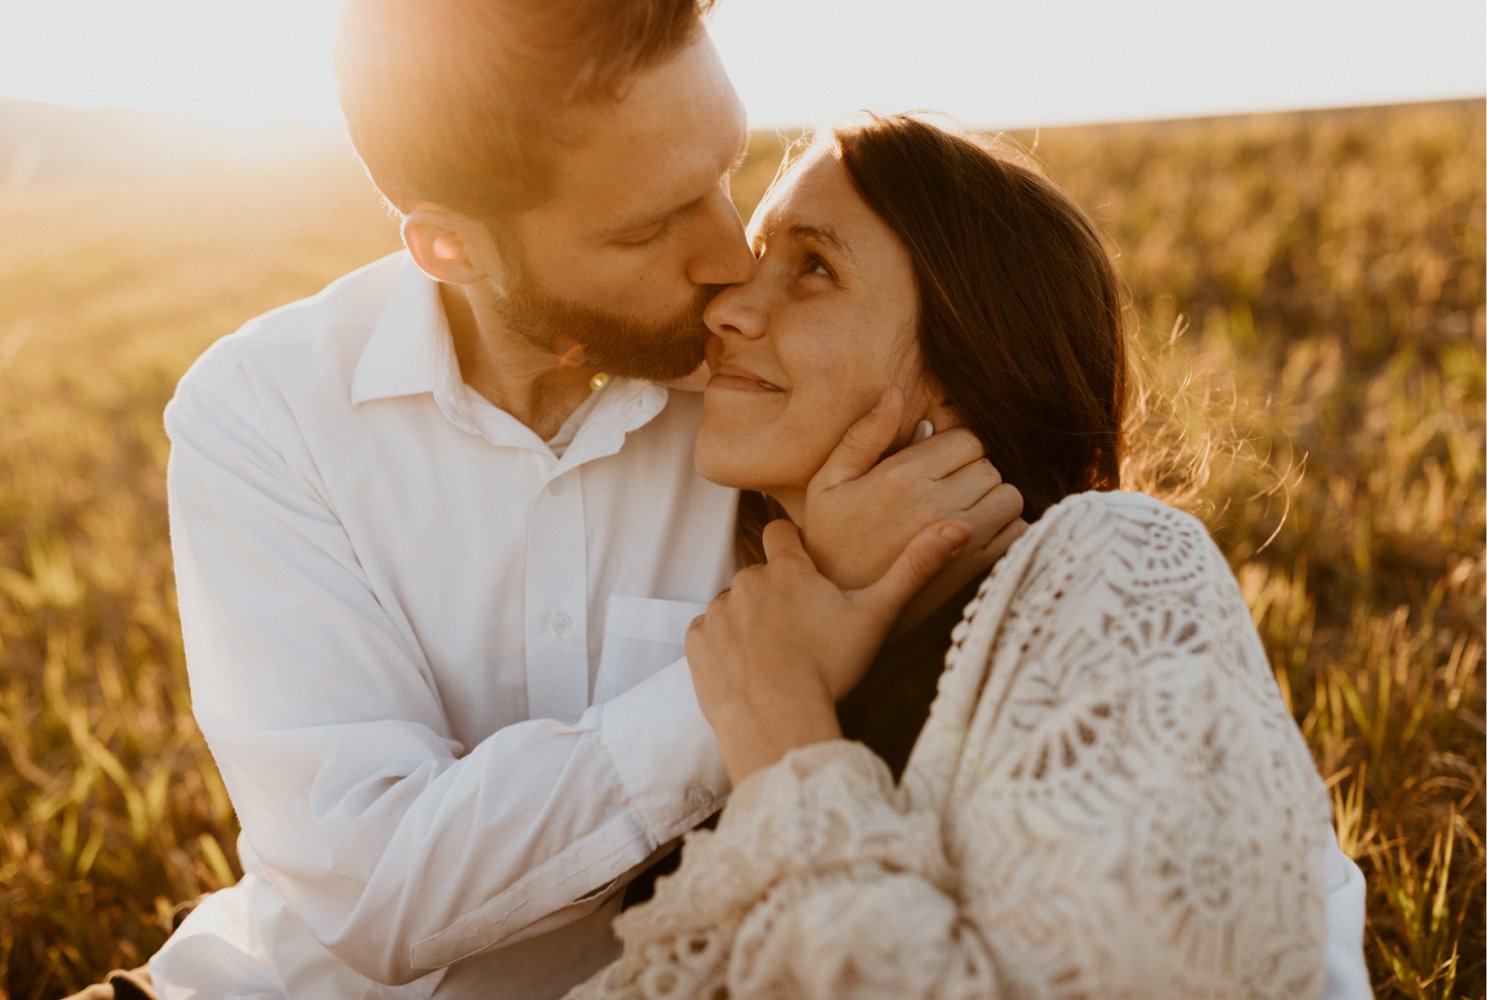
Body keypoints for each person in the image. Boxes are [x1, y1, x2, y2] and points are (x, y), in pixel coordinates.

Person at [62, 4, 1022, 1000]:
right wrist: (768, 662)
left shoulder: (769, 398)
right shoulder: (265, 411)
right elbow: (373, 893)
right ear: (449, 250)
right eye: (650, 226)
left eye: (724, 170)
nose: (733, 258)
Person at [567, 115, 1374, 999]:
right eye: (760, 255)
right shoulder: (744, 615)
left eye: (814, 269)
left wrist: (785, 736)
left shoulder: (1116, 561)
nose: (728, 306)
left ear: (960, 376)